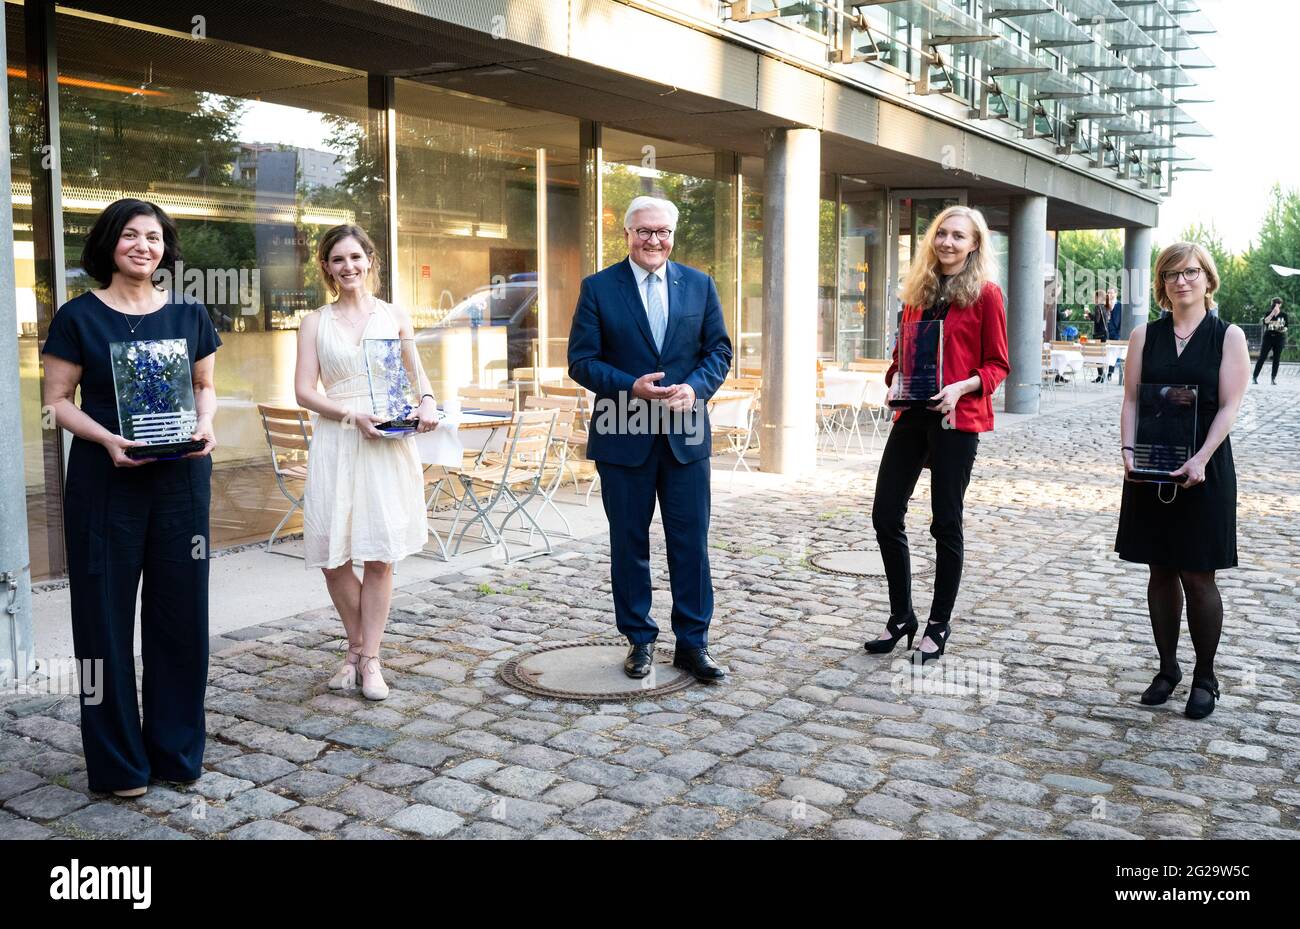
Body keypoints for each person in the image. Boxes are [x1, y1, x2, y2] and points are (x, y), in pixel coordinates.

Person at [41, 198, 219, 798]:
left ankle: (175, 752)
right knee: (103, 622)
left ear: (165, 249)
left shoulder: (192, 315)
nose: (143, 246)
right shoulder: (77, 317)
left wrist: (208, 424)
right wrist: (107, 438)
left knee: (182, 620)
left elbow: (205, 387)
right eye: (130, 235)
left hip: (181, 483)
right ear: (109, 244)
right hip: (104, 480)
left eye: (154, 237)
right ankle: (119, 765)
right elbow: (59, 401)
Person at [567, 196, 733, 682]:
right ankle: (639, 641)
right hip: (623, 432)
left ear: (673, 235)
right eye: (643, 231)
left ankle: (693, 644)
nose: (653, 240)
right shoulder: (598, 288)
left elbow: (718, 351)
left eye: (661, 232)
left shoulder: (699, 286)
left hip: (685, 435)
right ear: (627, 235)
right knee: (628, 542)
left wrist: (697, 388)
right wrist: (629, 386)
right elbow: (581, 360)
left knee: (690, 544)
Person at [295, 224, 437, 701]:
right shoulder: (314, 322)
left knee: (378, 555)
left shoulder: (394, 315)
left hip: (387, 442)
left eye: (356, 257)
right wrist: (350, 413)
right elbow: (303, 391)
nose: (348, 267)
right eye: (338, 260)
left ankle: (368, 659)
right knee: (333, 559)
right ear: (326, 267)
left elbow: (416, 374)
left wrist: (429, 402)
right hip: (338, 437)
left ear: (370, 261)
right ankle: (357, 649)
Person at [865, 206, 1009, 664]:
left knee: (945, 522)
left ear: (974, 245)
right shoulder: (918, 292)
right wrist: (893, 377)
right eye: (942, 234)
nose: (948, 242)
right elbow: (902, 352)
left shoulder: (986, 295)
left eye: (958, 237)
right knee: (885, 514)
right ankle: (901, 616)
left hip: (957, 417)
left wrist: (962, 387)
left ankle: (938, 625)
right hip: (912, 415)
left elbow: (998, 364)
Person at [1116, 242, 1249, 719]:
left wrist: (1201, 459)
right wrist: (1129, 451)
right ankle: (1168, 668)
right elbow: (1131, 400)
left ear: (1207, 279)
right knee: (1159, 569)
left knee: (1197, 573)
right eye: (1171, 274)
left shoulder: (1227, 336)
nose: (1181, 281)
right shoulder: (1143, 336)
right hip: (1150, 466)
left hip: (1204, 470)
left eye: (1190, 272)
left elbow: (1230, 405)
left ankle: (1205, 677)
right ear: (1162, 284)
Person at [1253, 297, 1287, 385]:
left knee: (1276, 358)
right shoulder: (1268, 313)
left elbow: (1286, 327)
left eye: (1276, 303)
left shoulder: (1284, 315)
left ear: (1280, 304)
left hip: (1279, 338)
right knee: (1262, 357)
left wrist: (1280, 328)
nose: (1274, 305)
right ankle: (1255, 377)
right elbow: (1265, 322)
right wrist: (1272, 313)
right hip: (1268, 337)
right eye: (1273, 304)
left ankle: (1273, 378)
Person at [1106, 286, 1123, 381]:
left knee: (1113, 354)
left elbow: (1120, 319)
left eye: (1112, 292)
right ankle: (1100, 375)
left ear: (1116, 293)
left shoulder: (1120, 305)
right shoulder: (1105, 304)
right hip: (1106, 332)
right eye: (1108, 293)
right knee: (1105, 353)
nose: (1110, 294)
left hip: (1115, 333)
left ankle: (1110, 373)